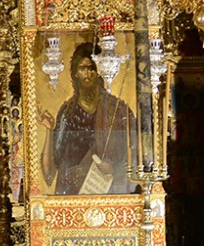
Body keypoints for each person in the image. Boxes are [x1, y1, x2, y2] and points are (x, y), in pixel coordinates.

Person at [39, 42, 136, 195]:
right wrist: (49, 130)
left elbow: (133, 149)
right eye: (82, 69)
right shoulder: (67, 112)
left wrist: (113, 168)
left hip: (107, 190)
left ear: (99, 71)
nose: (88, 74)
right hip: (72, 191)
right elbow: (52, 166)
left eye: (92, 68)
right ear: (75, 73)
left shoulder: (116, 109)